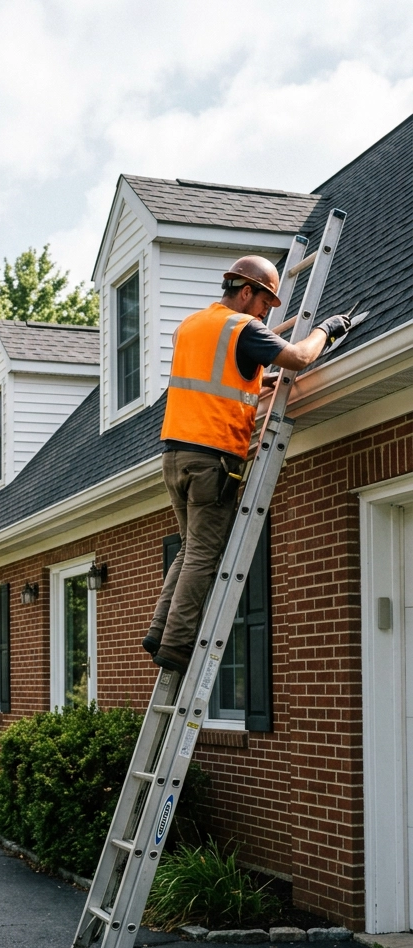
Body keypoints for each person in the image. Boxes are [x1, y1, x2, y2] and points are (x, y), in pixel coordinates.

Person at [143, 255, 352, 674]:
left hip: (174, 456)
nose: (265, 314)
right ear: (246, 292)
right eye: (265, 304)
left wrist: (262, 381)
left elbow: (219, 380)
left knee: (190, 548)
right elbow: (298, 357)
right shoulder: (242, 327)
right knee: (204, 553)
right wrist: (325, 331)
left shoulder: (191, 326)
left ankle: (159, 629)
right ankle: (177, 646)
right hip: (212, 457)